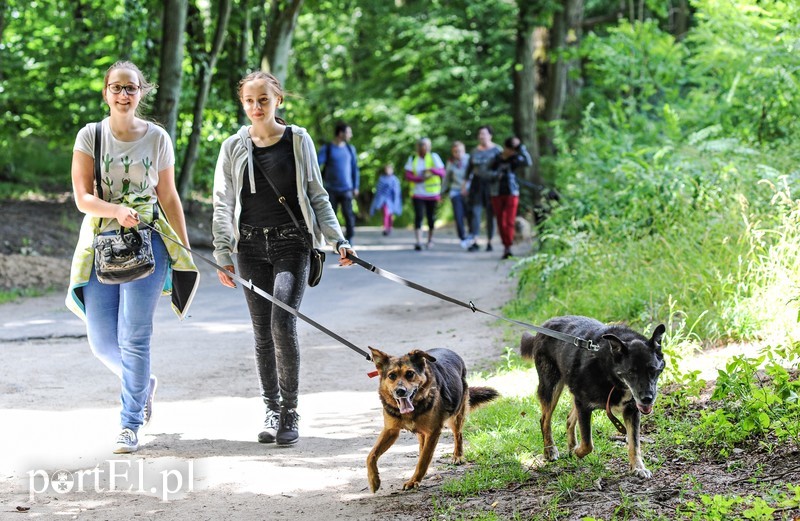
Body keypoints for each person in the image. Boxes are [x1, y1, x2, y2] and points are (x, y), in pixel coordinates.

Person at [212, 71, 356, 446]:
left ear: (278, 101)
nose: (256, 107)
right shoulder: (232, 146)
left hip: (292, 243)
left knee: (281, 322)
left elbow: (317, 194)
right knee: (262, 333)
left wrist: (338, 239)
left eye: (263, 99)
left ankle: (290, 411)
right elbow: (223, 201)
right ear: (242, 103)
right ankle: (271, 408)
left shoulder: (298, 139)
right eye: (249, 101)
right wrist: (223, 252)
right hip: (250, 248)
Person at [66, 60, 199, 454]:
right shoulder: (90, 135)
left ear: (141, 93)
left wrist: (184, 247)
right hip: (102, 241)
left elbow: (169, 196)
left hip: (149, 241)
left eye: (131, 88)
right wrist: (116, 211)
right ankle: (143, 384)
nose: (124, 95)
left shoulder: (158, 137)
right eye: (117, 88)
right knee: (101, 339)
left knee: (135, 336)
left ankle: (129, 423)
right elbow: (82, 198)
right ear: (106, 92)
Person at [489, 136, 532, 259]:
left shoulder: (515, 159)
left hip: (512, 193)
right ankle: (506, 245)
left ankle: (508, 246)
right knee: (501, 222)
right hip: (496, 193)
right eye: (511, 149)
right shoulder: (495, 158)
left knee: (509, 221)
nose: (512, 152)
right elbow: (484, 171)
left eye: (514, 150)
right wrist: (496, 175)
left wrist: (521, 147)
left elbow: (528, 162)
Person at [317, 121, 359, 243]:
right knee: (331, 216)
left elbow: (355, 169)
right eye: (348, 132)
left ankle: (349, 239)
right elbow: (317, 165)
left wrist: (356, 186)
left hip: (347, 189)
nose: (350, 135)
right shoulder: (328, 149)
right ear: (340, 133)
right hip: (331, 189)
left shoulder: (350, 149)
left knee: (348, 215)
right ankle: (335, 241)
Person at [404, 137, 445, 250]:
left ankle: (430, 240)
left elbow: (442, 172)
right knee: (419, 216)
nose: (425, 147)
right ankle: (419, 241)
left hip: (432, 194)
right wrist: (420, 179)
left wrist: (431, 171)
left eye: (427, 145)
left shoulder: (434, 157)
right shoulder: (413, 158)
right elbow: (407, 175)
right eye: (422, 145)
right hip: (417, 193)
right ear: (418, 147)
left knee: (431, 217)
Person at [465, 125, 502, 252]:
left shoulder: (497, 150)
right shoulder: (474, 151)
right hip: (476, 184)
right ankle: (475, 240)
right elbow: (468, 169)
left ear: (490, 135)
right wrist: (465, 184)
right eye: (480, 134)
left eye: (484, 134)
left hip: (492, 185)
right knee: (475, 213)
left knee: (490, 214)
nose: (481, 136)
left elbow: (502, 167)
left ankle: (490, 241)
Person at [443, 141, 471, 248]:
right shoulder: (451, 163)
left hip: (468, 191)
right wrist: (441, 192)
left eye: (459, 151)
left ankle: (471, 236)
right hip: (455, 192)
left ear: (464, 151)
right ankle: (462, 237)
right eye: (455, 152)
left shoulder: (470, 160)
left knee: (470, 215)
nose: (457, 153)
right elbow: (446, 179)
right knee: (458, 216)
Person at [369, 164, 402, 235]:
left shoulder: (395, 179)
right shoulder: (381, 179)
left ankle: (390, 228)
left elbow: (397, 191)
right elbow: (378, 190)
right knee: (385, 213)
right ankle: (385, 228)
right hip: (383, 200)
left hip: (392, 200)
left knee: (390, 215)